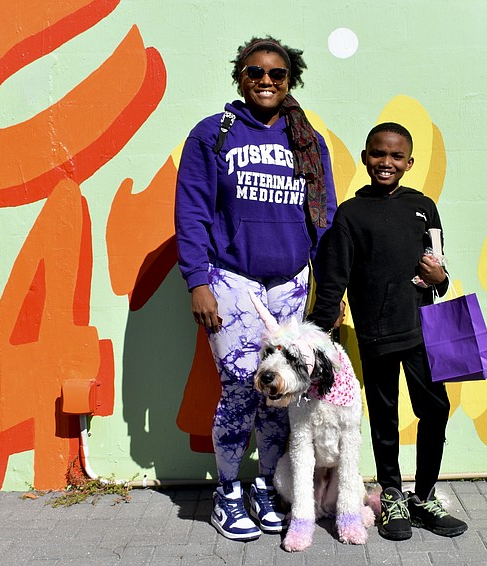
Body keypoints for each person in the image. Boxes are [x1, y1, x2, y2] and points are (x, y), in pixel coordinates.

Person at [174, 36, 337, 542]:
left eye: (277, 74)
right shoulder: (214, 134)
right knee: (242, 387)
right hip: (232, 281)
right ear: (239, 77)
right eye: (254, 72)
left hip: (290, 282)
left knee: (282, 395)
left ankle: (266, 487)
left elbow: (325, 217)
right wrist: (198, 281)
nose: (265, 80)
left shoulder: (307, 139)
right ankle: (226, 491)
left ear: (291, 81)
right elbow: (193, 211)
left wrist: (329, 289)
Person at [307, 122, 468, 541]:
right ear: (365, 157)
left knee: (434, 410)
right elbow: (334, 277)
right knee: (384, 416)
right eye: (379, 154)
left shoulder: (424, 207)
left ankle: (426, 494)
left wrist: (441, 278)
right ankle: (393, 494)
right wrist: (319, 333)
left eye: (397, 157)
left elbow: (437, 269)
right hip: (377, 335)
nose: (387, 163)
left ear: (409, 163)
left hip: (423, 331)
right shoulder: (351, 214)